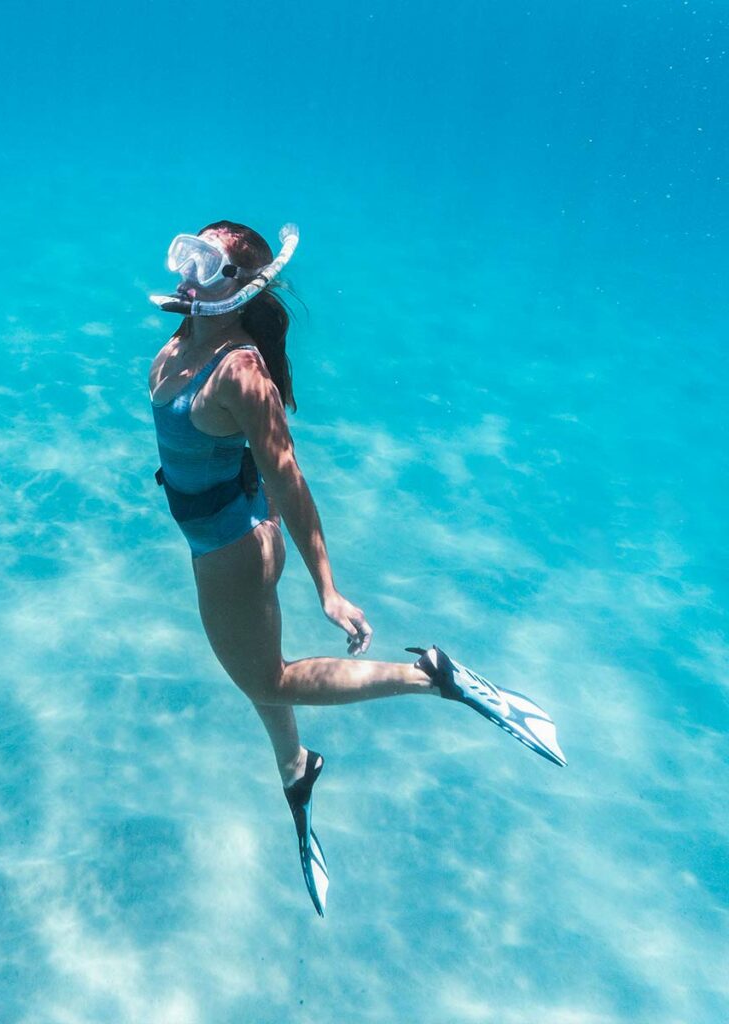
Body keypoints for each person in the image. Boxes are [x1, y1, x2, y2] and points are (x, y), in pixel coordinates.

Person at [147, 221, 565, 915]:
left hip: (232, 552)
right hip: (224, 536)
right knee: (257, 670)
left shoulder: (242, 374)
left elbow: (291, 484)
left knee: (267, 676)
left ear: (238, 287)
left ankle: (435, 678)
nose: (189, 275)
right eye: (188, 257)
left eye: (207, 266)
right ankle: (296, 771)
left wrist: (329, 590)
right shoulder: (189, 336)